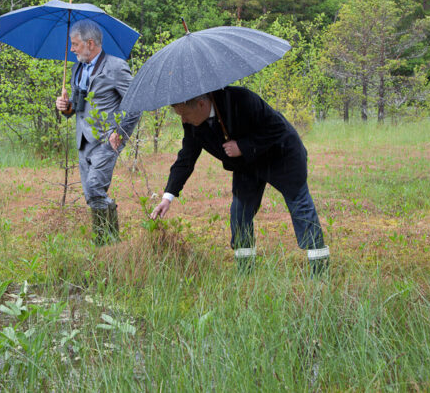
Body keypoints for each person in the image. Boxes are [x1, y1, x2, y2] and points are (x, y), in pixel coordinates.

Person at [150, 86, 330, 274]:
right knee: (240, 213)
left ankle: (319, 270)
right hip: (246, 165)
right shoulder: (192, 123)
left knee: (300, 205)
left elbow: (277, 128)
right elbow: (186, 158)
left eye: (184, 114)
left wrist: (243, 146)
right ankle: (246, 272)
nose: (183, 120)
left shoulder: (241, 99)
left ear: (201, 104)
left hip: (282, 155)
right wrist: (167, 197)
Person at [55, 19, 140, 245]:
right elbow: (76, 106)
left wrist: (119, 133)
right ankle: (110, 244)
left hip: (106, 139)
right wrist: (65, 107)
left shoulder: (115, 67)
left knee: (94, 188)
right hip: (83, 141)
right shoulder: (76, 68)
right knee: (92, 196)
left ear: (90, 43)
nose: (71, 49)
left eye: (75, 44)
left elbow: (135, 103)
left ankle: (104, 243)